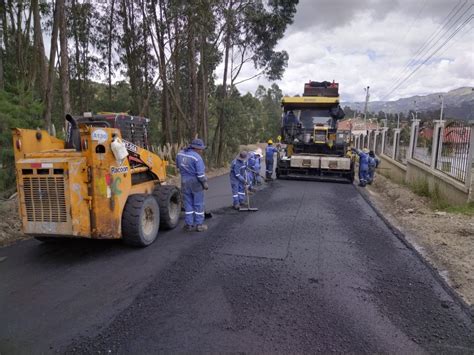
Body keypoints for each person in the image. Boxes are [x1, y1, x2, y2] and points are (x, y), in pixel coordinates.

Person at [176, 138, 208, 232]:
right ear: (196, 148)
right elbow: (201, 175)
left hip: (184, 181)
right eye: (201, 149)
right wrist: (204, 183)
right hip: (196, 182)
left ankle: (189, 224)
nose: (202, 150)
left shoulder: (180, 154)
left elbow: (178, 166)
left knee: (188, 203)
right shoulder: (197, 158)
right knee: (198, 204)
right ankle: (199, 224)